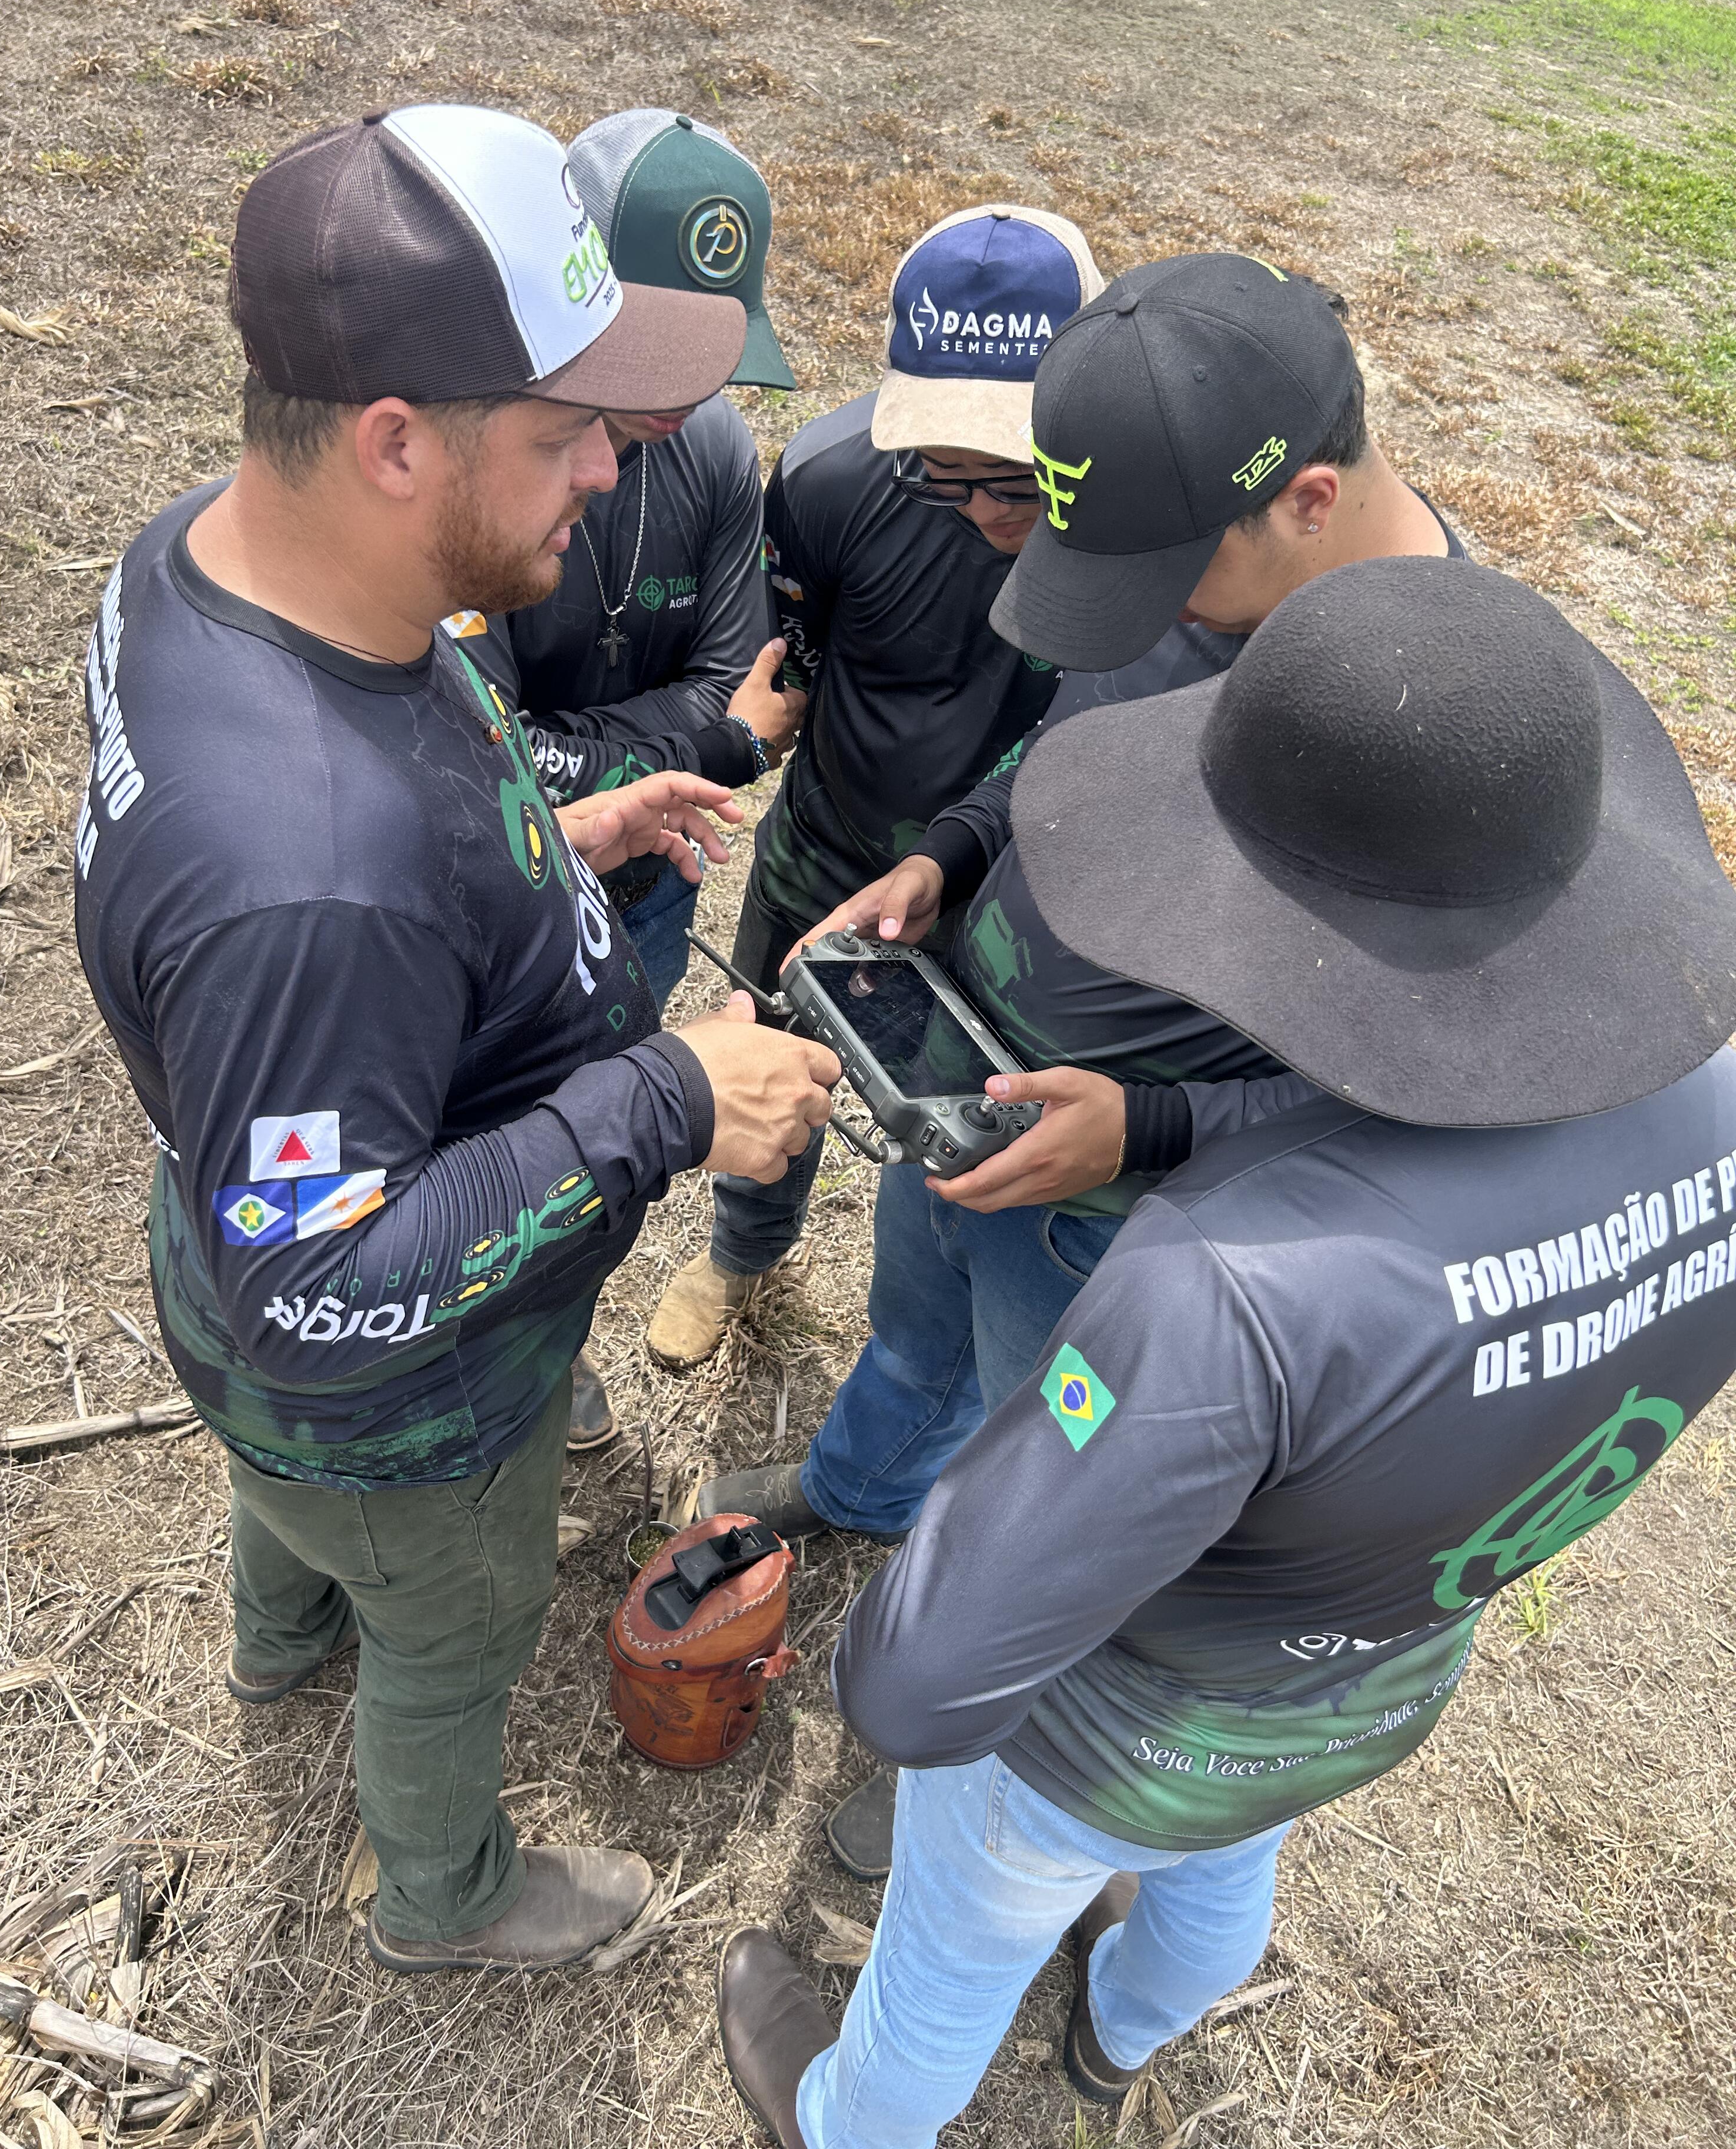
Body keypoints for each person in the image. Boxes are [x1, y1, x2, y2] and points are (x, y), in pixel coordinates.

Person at [712, 553, 1736, 2149]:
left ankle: (842, 2117)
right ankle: (1119, 2035)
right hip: (1379, 1675)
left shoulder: (1228, 1283)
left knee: (955, 1941)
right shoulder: (1714, 1103)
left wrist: (941, 1551)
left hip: (1116, 1723)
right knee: (1223, 1857)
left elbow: (916, 1690)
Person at [72, 103, 838, 1976]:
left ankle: (279, 1640)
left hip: (247, 1230)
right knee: (454, 1630)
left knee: (291, 1510)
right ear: (400, 438)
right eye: (566, 432)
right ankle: (444, 1893)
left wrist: (550, 842)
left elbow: (360, 902)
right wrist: (667, 1095)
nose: (608, 472)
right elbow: (323, 1289)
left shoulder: (218, 558)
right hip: (397, 1401)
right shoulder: (310, 876)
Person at [697, 259, 1470, 1872]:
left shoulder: (1458, 727)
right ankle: (853, 1491)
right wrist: (958, 856)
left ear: (1308, 503)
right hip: (966, 1079)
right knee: (914, 1346)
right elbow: (1071, 747)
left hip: (1114, 1210)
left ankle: (958, 1761)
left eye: (1156, 591)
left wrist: (1150, 1128)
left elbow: (1425, 1102)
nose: (1128, 621)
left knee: (1036, 1482)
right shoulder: (1166, 540)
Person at [647, 203, 1104, 1369]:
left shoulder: (1129, 541)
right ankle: (745, 1256)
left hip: (1012, 897)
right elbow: (786, 670)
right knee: (775, 1063)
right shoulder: (826, 478)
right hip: (827, 854)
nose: (999, 514)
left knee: (974, 1124)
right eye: (956, 478)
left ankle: (929, 1343)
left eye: (1024, 479)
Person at [450, 107, 807, 1451]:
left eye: (709, 354)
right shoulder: (485, 456)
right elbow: (483, 743)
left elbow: (739, 682)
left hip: (652, 877)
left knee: (602, 1122)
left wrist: (637, 737)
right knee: (484, 1123)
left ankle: (553, 1340)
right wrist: (700, 744)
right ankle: (487, 1363)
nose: (673, 395)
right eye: (646, 352)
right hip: (497, 881)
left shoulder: (713, 447)